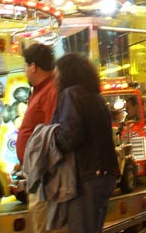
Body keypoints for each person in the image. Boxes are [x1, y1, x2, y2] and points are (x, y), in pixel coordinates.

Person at [50, 53, 119, 233]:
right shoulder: (96, 97)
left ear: (67, 74)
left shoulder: (70, 94)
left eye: (57, 74)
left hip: (87, 176)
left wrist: (49, 140)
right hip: (106, 173)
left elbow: (70, 135)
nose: (55, 79)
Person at [15, 42, 67, 233]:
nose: (25, 71)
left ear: (34, 66)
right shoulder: (42, 90)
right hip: (38, 173)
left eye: (25, 66)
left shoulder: (51, 91)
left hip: (45, 177)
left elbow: (53, 134)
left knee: (46, 225)